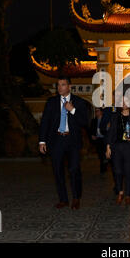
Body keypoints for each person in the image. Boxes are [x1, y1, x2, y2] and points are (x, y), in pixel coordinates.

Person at [39, 76, 88, 210]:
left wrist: (72, 110)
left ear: (69, 87)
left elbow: (85, 121)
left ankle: (76, 198)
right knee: (57, 171)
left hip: (72, 140)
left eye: (63, 85)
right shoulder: (51, 102)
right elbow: (45, 122)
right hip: (56, 140)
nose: (60, 87)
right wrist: (42, 141)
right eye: (58, 85)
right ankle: (63, 199)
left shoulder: (79, 102)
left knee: (74, 169)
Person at [105, 96, 130, 206]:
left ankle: (128, 195)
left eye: (127, 100)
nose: (124, 103)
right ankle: (120, 192)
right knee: (117, 171)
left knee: (128, 172)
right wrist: (108, 147)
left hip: (128, 147)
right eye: (122, 101)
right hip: (116, 147)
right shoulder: (115, 117)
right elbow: (111, 132)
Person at [90, 107, 108, 174]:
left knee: (104, 153)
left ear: (101, 112)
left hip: (104, 139)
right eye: (95, 111)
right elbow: (91, 129)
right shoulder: (94, 120)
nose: (96, 112)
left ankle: (103, 167)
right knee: (100, 154)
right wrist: (92, 135)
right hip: (98, 139)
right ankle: (103, 165)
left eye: (98, 111)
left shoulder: (105, 120)